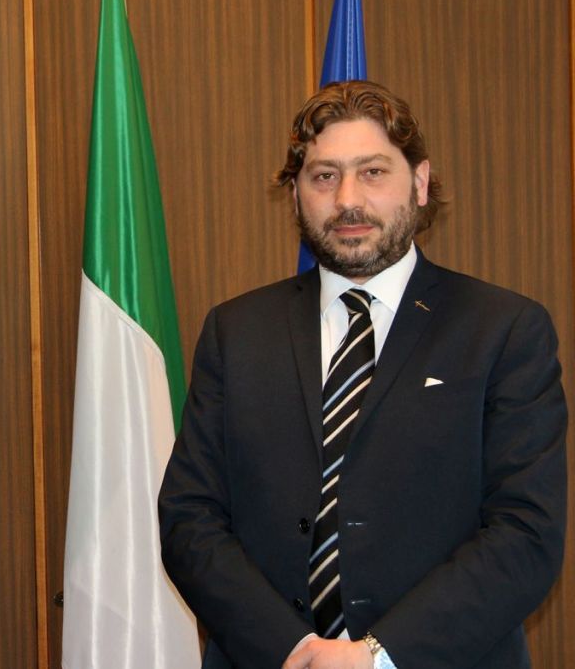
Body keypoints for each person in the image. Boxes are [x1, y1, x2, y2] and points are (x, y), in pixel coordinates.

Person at [158, 81, 567, 669]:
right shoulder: (235, 331)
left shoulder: (503, 330)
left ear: (420, 183)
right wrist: (295, 650)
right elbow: (189, 517)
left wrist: (377, 656)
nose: (347, 200)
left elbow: (526, 533)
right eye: (324, 176)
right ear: (295, 194)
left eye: (373, 172)